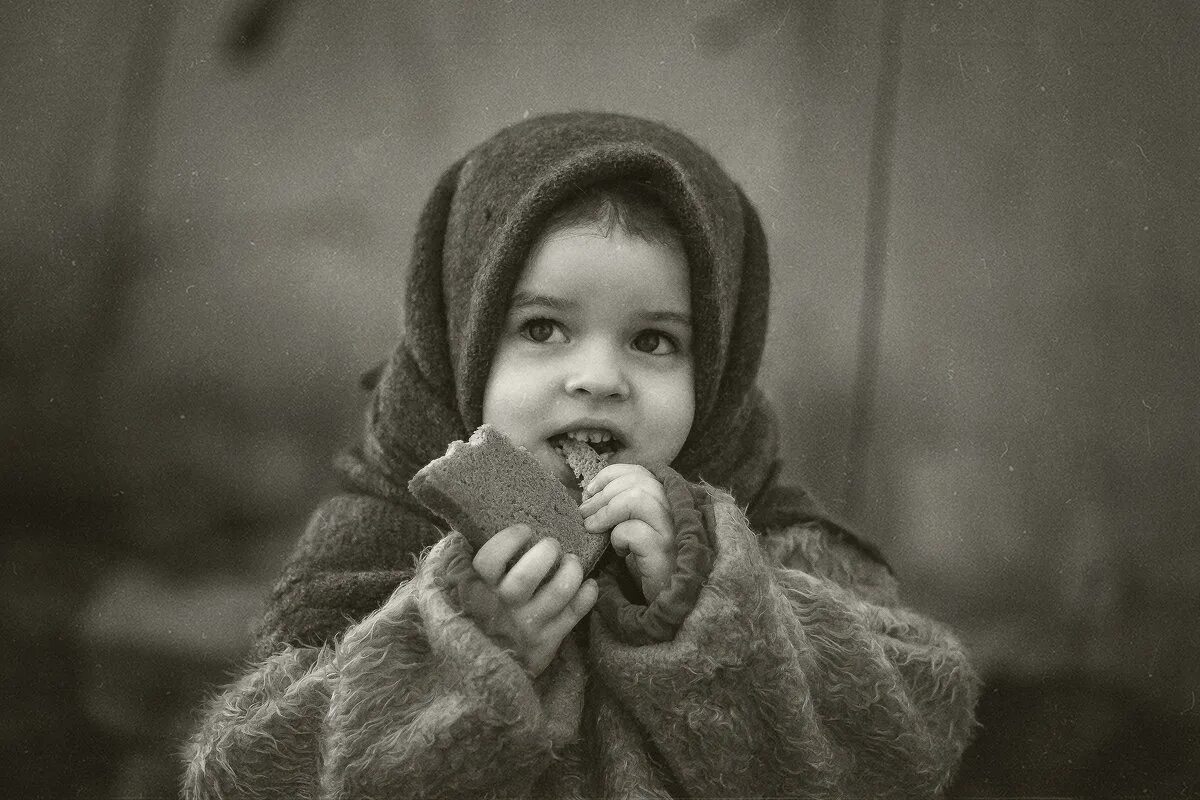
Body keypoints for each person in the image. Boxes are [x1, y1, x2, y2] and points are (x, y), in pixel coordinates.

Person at [183, 111, 979, 799]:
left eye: (653, 340)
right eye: (542, 328)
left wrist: (712, 599)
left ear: (720, 370)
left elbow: (913, 734)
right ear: (459, 343)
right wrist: (464, 658)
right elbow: (242, 774)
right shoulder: (377, 535)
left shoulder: (773, 533)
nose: (598, 378)